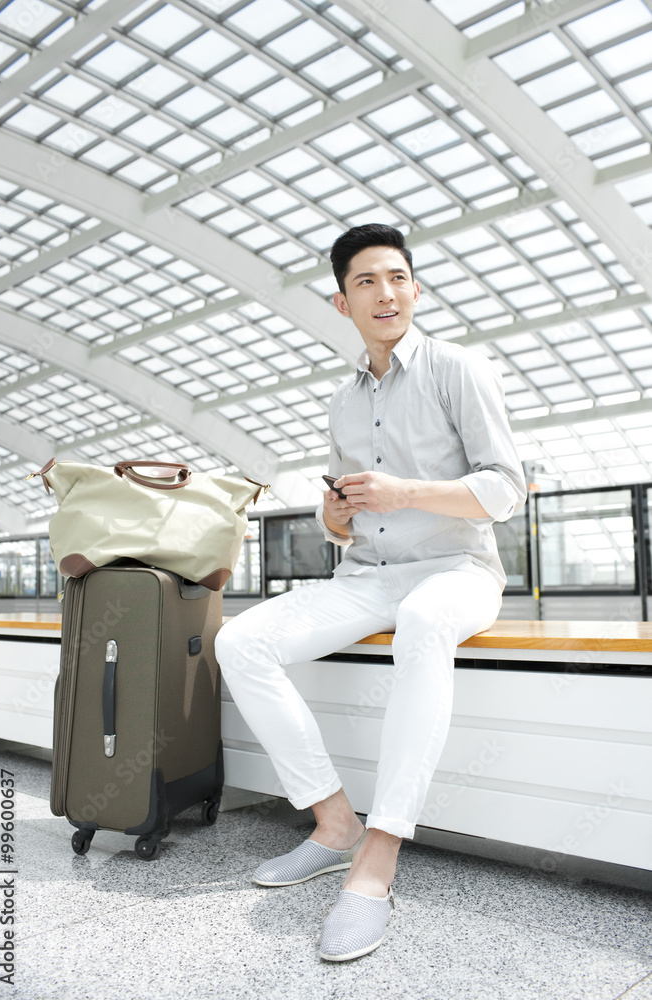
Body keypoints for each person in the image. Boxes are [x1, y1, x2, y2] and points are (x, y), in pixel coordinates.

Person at [215, 223, 526, 963]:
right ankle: (333, 824)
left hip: (456, 572)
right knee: (240, 640)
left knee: (423, 620)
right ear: (341, 302)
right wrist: (336, 517)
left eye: (396, 278)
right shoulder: (344, 403)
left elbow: (505, 489)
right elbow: (345, 515)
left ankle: (378, 855)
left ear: (414, 289)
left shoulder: (458, 369)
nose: (384, 293)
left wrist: (404, 491)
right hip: (365, 577)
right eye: (366, 282)